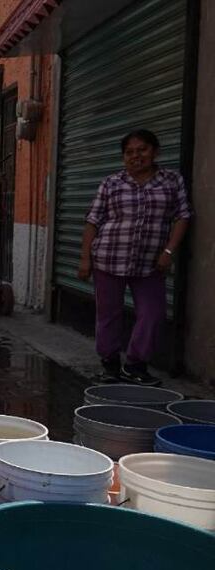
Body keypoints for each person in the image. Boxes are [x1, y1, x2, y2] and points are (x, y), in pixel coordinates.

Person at [79, 129, 192, 386]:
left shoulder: (171, 181)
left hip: (151, 262)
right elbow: (93, 221)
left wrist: (169, 252)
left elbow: (182, 216)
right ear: (123, 158)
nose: (135, 156)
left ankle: (136, 365)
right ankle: (109, 366)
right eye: (129, 152)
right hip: (109, 258)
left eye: (142, 150)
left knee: (153, 313)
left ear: (155, 152)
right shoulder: (112, 183)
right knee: (109, 314)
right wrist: (85, 258)